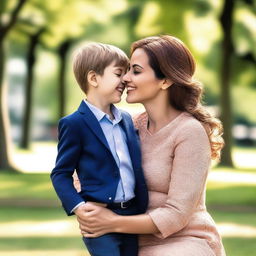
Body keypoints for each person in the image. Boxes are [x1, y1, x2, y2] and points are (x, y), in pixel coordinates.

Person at [76, 35, 226, 256]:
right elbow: (82, 170)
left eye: (135, 71)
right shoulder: (126, 124)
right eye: (126, 70)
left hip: (185, 241)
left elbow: (176, 214)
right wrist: (88, 209)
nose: (125, 78)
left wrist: (112, 223)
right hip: (128, 242)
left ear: (165, 80)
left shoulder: (189, 131)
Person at [50, 42, 148, 256]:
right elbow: (60, 173)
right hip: (99, 215)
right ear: (93, 78)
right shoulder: (74, 124)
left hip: (132, 214)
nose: (125, 80)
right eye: (118, 73)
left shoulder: (127, 120)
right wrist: (78, 206)